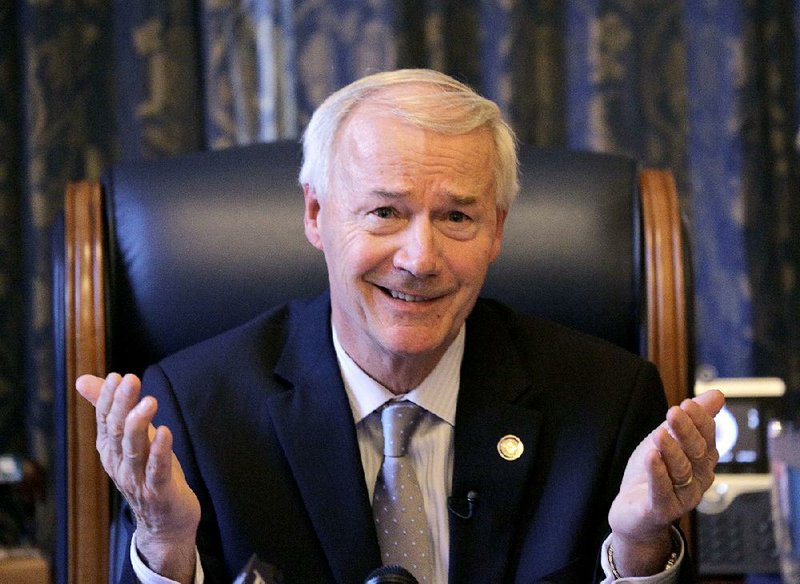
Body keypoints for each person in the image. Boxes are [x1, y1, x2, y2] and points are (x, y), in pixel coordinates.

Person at [75, 69, 723, 583]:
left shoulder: (607, 403)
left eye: (458, 218)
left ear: (497, 230)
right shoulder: (197, 409)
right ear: (316, 214)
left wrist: (639, 546)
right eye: (385, 212)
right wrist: (163, 544)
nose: (420, 259)